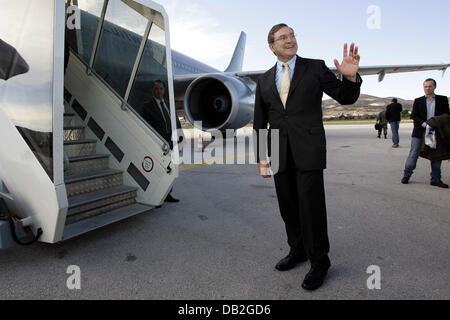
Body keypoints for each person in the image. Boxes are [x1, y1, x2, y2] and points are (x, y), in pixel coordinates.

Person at [253, 24, 361, 291]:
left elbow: (345, 97)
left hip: (308, 149)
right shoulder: (264, 80)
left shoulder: (315, 67)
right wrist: (261, 158)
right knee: (287, 207)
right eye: (283, 37)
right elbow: (259, 122)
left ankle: (320, 262)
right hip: (279, 152)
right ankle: (297, 251)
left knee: (311, 208)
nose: (290, 40)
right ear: (272, 46)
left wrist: (349, 78)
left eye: (292, 35)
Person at [401, 79, 450, 188]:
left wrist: (434, 124)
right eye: (425, 86)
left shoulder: (442, 99)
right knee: (413, 153)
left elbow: (446, 115)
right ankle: (406, 175)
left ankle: (436, 179)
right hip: (419, 131)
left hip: (436, 132)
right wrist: (425, 124)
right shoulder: (418, 101)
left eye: (430, 86)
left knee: (436, 156)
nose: (427, 88)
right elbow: (414, 115)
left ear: (434, 87)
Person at [143, 80, 184, 202]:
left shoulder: (168, 104)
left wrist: (181, 137)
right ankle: (157, 194)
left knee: (171, 169)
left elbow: (176, 121)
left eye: (161, 89)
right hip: (159, 143)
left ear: (164, 90)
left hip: (172, 140)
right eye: (156, 89)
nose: (159, 91)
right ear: (152, 90)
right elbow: (147, 125)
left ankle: (167, 194)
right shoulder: (147, 106)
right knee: (159, 169)